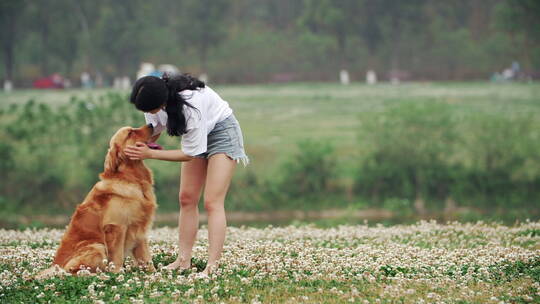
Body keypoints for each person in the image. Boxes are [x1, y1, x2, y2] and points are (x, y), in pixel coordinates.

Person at [125, 73, 249, 277]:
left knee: (212, 202)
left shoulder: (191, 104)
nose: (148, 113)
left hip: (222, 133)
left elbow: (189, 153)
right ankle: (183, 261)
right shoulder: (153, 102)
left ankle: (212, 266)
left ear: (163, 100)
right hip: (197, 136)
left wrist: (151, 153)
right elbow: (154, 130)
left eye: (150, 109)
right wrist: (137, 146)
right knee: (186, 198)